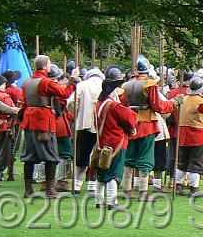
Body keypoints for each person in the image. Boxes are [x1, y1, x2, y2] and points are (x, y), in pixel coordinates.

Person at [20, 56, 77, 198]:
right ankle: (50, 190)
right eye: (50, 63)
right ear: (45, 66)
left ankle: (28, 190)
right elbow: (64, 93)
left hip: (29, 122)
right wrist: (73, 80)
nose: (51, 65)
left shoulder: (27, 82)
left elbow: (24, 104)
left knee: (29, 157)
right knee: (51, 156)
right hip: (44, 123)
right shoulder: (45, 82)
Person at [119, 55, 175, 201]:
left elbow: (123, 105)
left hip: (131, 123)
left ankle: (127, 190)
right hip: (147, 124)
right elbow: (158, 105)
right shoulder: (149, 85)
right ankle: (143, 192)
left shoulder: (126, 85)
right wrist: (172, 104)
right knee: (146, 158)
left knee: (129, 158)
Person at [94, 67, 138, 209]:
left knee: (102, 172)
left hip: (102, 142)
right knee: (114, 173)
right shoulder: (113, 105)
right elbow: (130, 118)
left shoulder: (99, 103)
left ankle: (98, 200)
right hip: (116, 142)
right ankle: (112, 202)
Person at [175, 76, 203, 196]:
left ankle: (178, 185)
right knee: (196, 162)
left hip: (184, 133)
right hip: (196, 134)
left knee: (182, 162)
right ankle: (194, 188)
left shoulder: (184, 99)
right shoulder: (200, 102)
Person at [67, 67, 104, 193]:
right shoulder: (105, 85)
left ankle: (77, 184)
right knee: (98, 155)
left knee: (81, 154)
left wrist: (78, 113)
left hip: (83, 124)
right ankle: (93, 183)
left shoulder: (82, 85)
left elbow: (71, 102)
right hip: (101, 126)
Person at [165, 71, 192, 180]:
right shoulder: (190, 93)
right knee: (184, 155)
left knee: (173, 154)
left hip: (174, 128)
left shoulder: (172, 92)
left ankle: (173, 178)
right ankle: (180, 179)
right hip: (185, 128)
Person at [1, 70, 23, 180]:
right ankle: (10, 168)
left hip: (6, 121)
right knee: (13, 146)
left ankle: (7, 167)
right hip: (14, 121)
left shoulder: (3, 90)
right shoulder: (15, 90)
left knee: (7, 146)